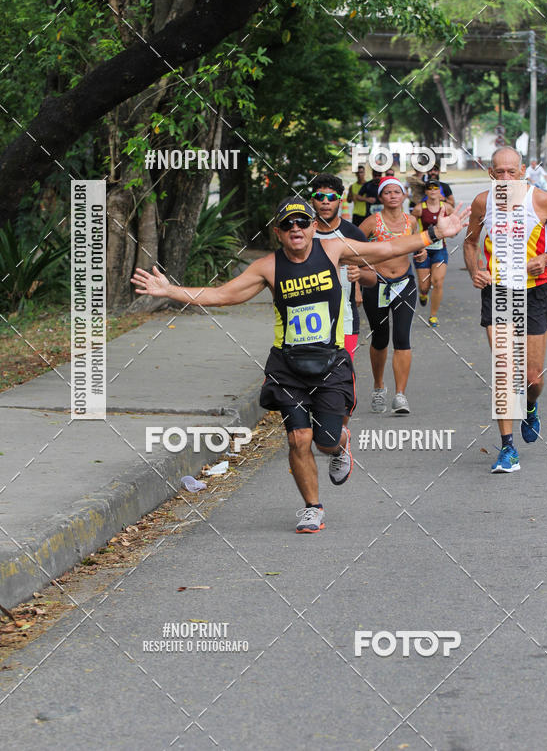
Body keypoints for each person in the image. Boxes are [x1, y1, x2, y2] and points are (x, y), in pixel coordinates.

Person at [132, 195, 470, 531]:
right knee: (298, 438)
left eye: (302, 222)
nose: (296, 228)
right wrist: (170, 291)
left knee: (326, 441)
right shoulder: (268, 267)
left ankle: (340, 445)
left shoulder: (333, 249)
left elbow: (384, 251)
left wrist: (432, 235)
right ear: (278, 232)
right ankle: (313, 508)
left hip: (331, 363)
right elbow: (223, 294)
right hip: (287, 366)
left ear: (312, 228)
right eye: (288, 224)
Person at [463, 146, 547, 474]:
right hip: (497, 293)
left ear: (523, 170)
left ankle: (529, 405)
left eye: (513, 171)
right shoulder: (483, 203)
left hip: (535, 292)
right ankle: (508, 448)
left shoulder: (539, 200)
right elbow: (470, 242)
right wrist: (475, 272)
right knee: (504, 372)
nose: (507, 178)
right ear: (491, 172)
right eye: (501, 172)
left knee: (531, 377)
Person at [359, 177, 425, 414]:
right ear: (381, 197)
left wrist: (421, 252)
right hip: (377, 285)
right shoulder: (371, 223)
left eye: (397, 191)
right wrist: (364, 272)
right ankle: (378, 387)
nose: (393, 195)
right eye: (388, 192)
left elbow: (418, 246)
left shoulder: (412, 222)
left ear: (404, 195)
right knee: (379, 338)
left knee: (402, 338)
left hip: (404, 283)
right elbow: (353, 250)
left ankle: (400, 395)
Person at [310, 174, 376, 367]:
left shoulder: (353, 234)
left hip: (344, 319)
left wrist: (359, 276)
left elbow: (372, 278)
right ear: (312, 200)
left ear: (340, 199)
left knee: (343, 377)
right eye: (319, 197)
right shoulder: (303, 232)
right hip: (307, 321)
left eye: (331, 198)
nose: (325, 202)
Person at [412, 180, 454, 328]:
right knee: (424, 286)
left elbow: (454, 223)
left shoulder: (447, 207)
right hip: (422, 250)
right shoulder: (419, 209)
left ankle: (433, 316)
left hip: (439, 250)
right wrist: (418, 242)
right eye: (429, 188)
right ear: (426, 192)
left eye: (435, 188)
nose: (432, 190)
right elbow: (412, 226)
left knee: (438, 282)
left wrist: (452, 232)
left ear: (440, 191)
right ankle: (423, 294)